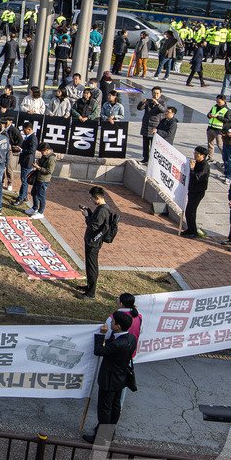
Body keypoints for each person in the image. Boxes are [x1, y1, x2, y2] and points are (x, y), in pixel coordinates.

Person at [83, 310, 136, 444]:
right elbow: (114, 341)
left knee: (104, 410)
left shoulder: (117, 344)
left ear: (118, 326)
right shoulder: (130, 338)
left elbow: (99, 351)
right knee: (115, 406)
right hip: (121, 378)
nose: (110, 323)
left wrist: (101, 334)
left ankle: (101, 438)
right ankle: (109, 432)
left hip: (109, 380)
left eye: (112, 322)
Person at [78, 187, 116, 299]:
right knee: (90, 265)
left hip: (93, 242)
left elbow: (93, 226)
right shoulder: (101, 208)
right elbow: (96, 221)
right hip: (92, 240)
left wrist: (86, 216)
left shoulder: (102, 210)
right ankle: (89, 286)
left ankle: (91, 293)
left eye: (92, 198)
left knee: (92, 267)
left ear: (98, 198)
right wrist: (89, 211)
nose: (91, 200)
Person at [181, 146, 210, 239]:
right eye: (194, 153)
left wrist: (193, 169)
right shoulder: (197, 162)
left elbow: (198, 177)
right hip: (192, 190)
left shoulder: (204, 166)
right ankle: (190, 229)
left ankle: (193, 231)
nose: (194, 155)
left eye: (196, 154)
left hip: (198, 191)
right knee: (189, 211)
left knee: (191, 211)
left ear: (202, 155)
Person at [137, 88, 165, 164]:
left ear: (160, 94)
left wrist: (157, 104)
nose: (155, 95)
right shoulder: (148, 101)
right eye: (154, 93)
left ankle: (153, 161)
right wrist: (142, 103)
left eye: (157, 93)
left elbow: (163, 110)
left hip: (155, 126)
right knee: (145, 144)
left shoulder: (162, 102)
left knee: (153, 145)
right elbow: (139, 108)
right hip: (146, 125)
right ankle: (145, 159)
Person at [28, 142, 55, 218]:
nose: (41, 153)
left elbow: (49, 171)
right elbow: (41, 163)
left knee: (41, 196)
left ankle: (40, 212)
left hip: (44, 180)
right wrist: (38, 163)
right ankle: (34, 208)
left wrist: (38, 168)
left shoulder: (51, 158)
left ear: (46, 150)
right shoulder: (44, 155)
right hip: (38, 178)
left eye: (42, 151)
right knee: (34, 193)